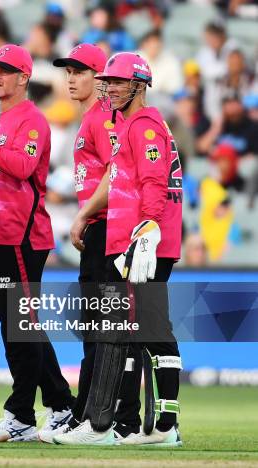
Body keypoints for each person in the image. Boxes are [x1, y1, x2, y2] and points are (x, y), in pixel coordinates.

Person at [54, 52, 183, 447]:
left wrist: (146, 230)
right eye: (107, 81)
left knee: (125, 330)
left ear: (139, 86)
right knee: (146, 331)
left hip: (143, 241)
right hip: (138, 239)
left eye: (118, 82)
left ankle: (103, 425)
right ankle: (160, 427)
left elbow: (154, 183)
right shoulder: (130, 123)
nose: (109, 88)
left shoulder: (143, 125)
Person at [0, 44, 75, 442]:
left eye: (5, 70)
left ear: (24, 77)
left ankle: (21, 412)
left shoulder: (31, 121)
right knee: (20, 328)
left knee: (20, 328)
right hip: (1, 239)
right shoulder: (4, 123)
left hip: (22, 238)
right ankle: (60, 404)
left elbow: (21, 168)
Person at [46, 43, 142, 442]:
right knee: (97, 326)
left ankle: (114, 417)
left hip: (108, 227)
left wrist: (84, 215)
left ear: (100, 78)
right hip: (101, 226)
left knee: (108, 327)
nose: (72, 79)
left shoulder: (104, 120)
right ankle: (91, 412)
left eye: (81, 72)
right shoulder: (93, 118)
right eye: (68, 72)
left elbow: (116, 173)